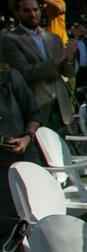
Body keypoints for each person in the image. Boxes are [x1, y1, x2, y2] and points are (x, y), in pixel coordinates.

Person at [0, 0, 77, 131]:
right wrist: (54, 61)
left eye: (35, 10)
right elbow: (22, 73)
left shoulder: (53, 38)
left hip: (62, 110)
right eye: (27, 11)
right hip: (35, 110)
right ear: (17, 13)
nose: (33, 14)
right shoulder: (10, 39)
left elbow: (69, 73)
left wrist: (70, 59)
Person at [0, 65, 42, 222]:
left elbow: (34, 114)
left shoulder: (10, 77)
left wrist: (27, 137)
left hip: (25, 160)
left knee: (37, 215)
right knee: (10, 226)